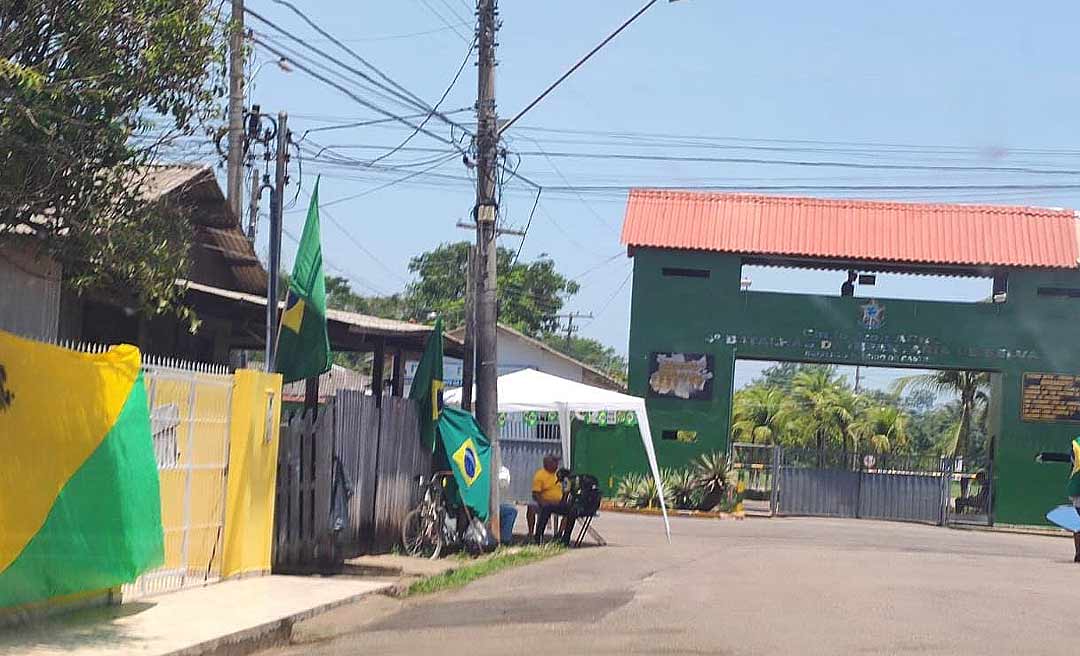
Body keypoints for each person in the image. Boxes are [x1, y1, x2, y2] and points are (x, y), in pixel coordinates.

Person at [532, 454, 576, 545]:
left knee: (573, 511)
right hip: (546, 503)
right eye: (554, 462)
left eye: (557, 462)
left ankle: (565, 539)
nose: (557, 464)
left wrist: (564, 500)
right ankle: (538, 537)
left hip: (558, 503)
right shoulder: (540, 475)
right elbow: (535, 494)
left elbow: (566, 489)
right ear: (547, 463)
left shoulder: (560, 474)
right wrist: (542, 502)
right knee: (546, 509)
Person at [1068, 436, 1080, 562]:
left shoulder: (1076, 444)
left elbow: (1072, 461)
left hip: (1077, 487)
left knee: (1077, 523)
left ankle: (1078, 553)